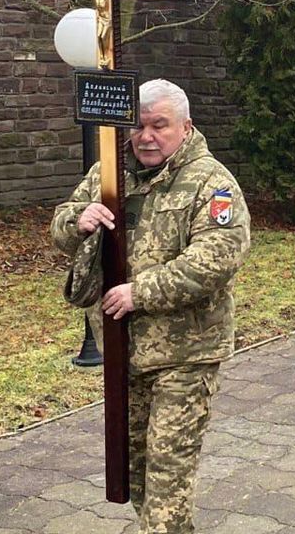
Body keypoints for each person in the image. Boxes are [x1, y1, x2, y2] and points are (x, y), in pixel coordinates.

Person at [51, 79, 251, 534]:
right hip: (125, 352)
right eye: (138, 126)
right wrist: (78, 220)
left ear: (186, 127)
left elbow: (216, 259)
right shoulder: (109, 171)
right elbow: (61, 225)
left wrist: (140, 292)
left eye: (160, 126)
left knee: (167, 476)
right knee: (136, 471)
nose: (146, 137)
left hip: (186, 354)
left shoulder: (212, 183)